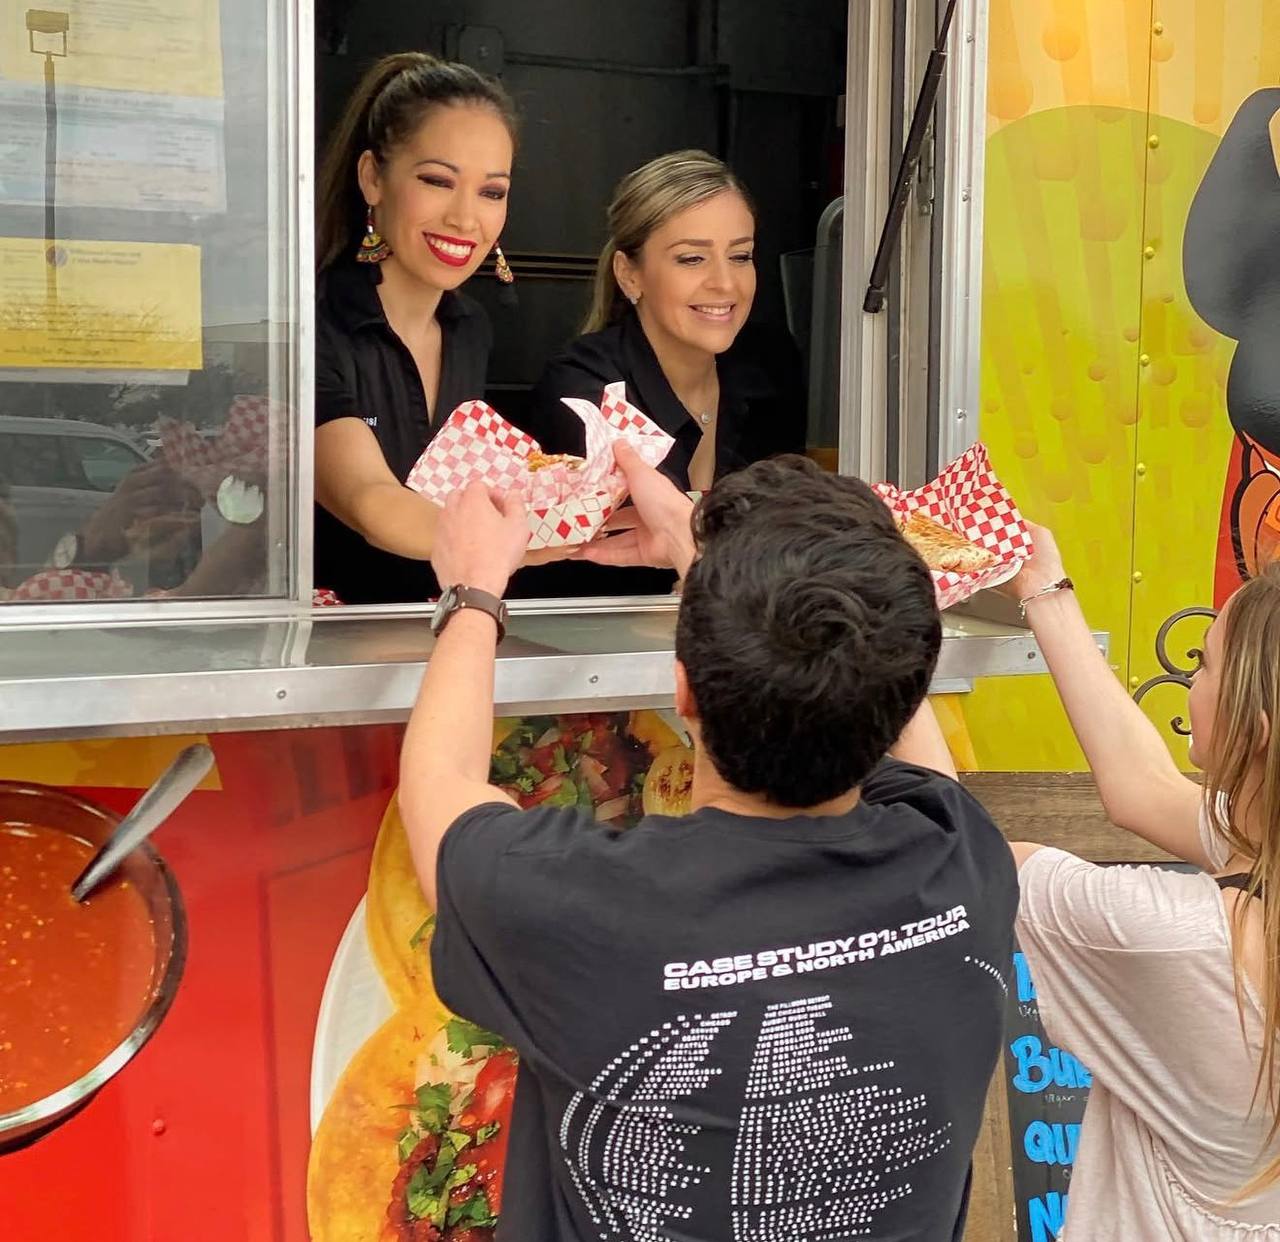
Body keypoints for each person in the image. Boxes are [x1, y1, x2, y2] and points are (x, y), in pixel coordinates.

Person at [397, 446, 1018, 1239]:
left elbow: (439, 787)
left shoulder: (575, 909)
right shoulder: (964, 860)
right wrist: (714, 565)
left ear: (682, 689)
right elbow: (900, 718)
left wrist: (473, 588)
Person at [991, 528, 1280, 1237]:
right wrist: (1042, 589)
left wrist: (870, 631)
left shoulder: (1175, 938)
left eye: (1206, 664)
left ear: (1257, 729)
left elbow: (965, 860)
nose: (1191, 678)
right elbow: (1142, 789)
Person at [510, 150, 805, 598]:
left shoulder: (769, 365)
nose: (726, 284)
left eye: (740, 256)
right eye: (692, 259)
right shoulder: (583, 390)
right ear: (631, 276)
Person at [313, 52, 521, 604]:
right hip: (312, 658)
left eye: (491, 192)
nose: (465, 218)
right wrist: (525, 541)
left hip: (432, 636)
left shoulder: (471, 329)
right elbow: (372, 503)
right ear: (372, 178)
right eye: (437, 180)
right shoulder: (314, 321)